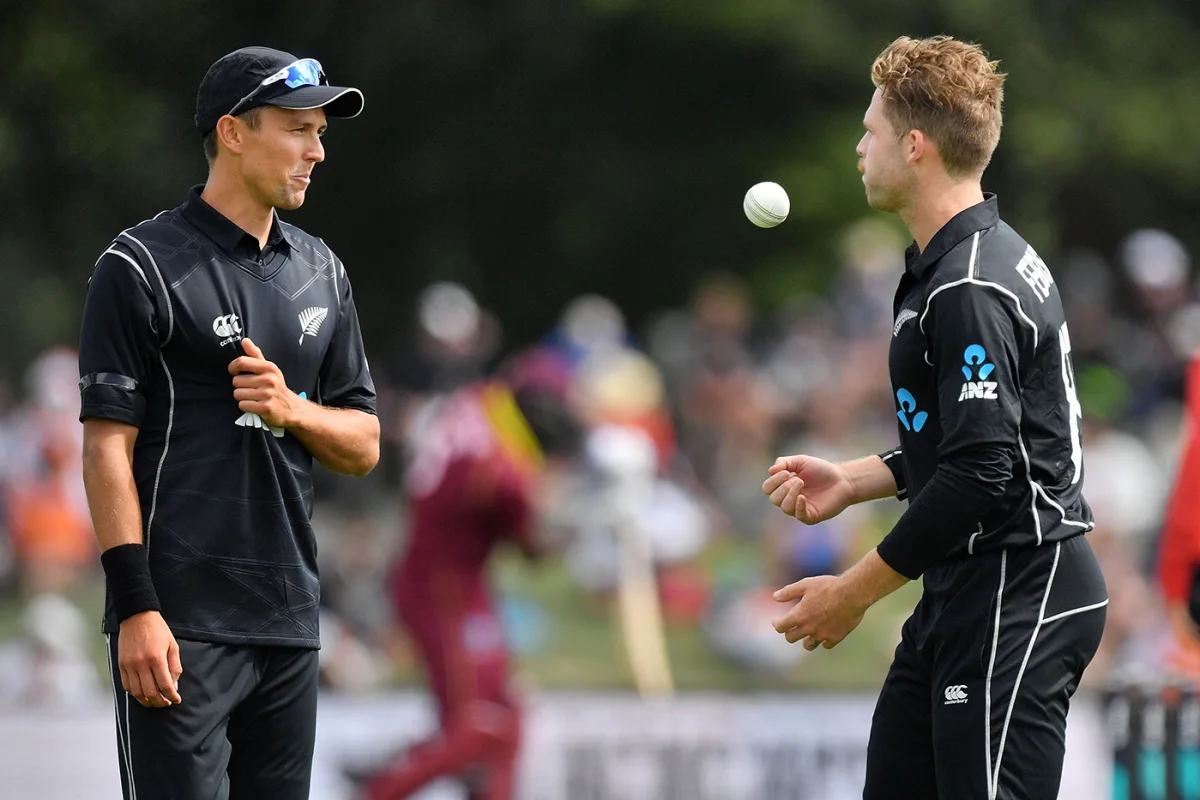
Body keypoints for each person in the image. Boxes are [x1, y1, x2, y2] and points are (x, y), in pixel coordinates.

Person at [762, 36, 1108, 799]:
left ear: (913, 146)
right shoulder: (954, 265)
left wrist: (852, 590)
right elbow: (979, 442)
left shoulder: (970, 286)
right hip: (968, 587)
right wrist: (856, 479)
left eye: (871, 130)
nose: (860, 146)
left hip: (1020, 586)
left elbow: (985, 473)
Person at [78, 46, 379, 799]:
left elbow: (364, 445)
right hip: (179, 623)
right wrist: (137, 607)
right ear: (235, 133)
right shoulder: (139, 264)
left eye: (320, 133)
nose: (316, 151)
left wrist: (292, 409)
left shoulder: (324, 270)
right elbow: (104, 449)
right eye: (297, 129)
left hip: (287, 621)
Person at [361, 372, 579, 800]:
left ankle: (391, 772)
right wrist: (581, 526)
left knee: (507, 717)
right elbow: (532, 548)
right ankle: (379, 789)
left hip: (459, 588)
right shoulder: (503, 469)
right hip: (443, 593)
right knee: (477, 725)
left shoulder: (479, 402)